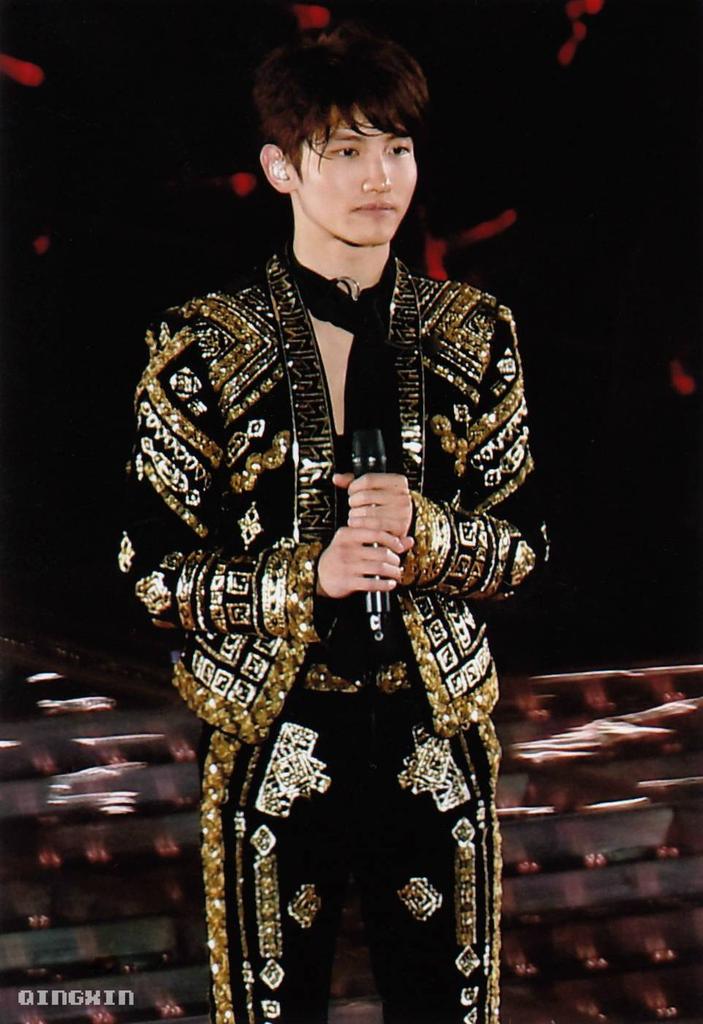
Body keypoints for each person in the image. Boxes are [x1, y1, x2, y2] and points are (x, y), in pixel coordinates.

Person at [119, 22, 548, 1024]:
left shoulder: (473, 334)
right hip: (274, 727)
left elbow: (525, 547)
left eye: (396, 147)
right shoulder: (202, 345)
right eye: (346, 151)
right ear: (281, 168)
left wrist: (428, 537)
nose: (378, 178)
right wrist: (303, 577)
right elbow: (152, 572)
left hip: (433, 724)